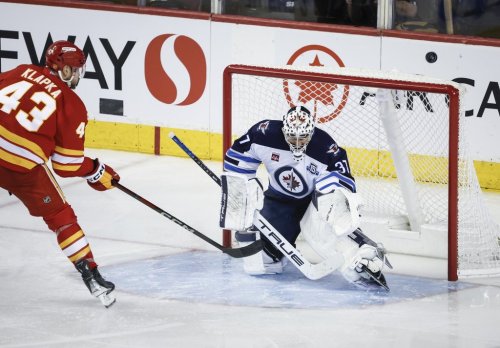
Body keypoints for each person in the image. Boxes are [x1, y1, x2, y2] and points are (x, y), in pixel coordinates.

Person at [0, 40, 120, 307]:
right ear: (65, 70)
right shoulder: (71, 103)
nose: (78, 75)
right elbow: (66, 165)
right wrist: (96, 170)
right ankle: (92, 276)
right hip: (23, 168)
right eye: (76, 69)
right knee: (60, 216)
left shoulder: (20, 71)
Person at [219, 105, 389, 289]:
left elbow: (344, 184)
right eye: (292, 137)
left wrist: (334, 207)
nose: (298, 143)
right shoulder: (264, 134)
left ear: (312, 131)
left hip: (314, 204)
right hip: (279, 202)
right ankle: (276, 251)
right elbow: (236, 161)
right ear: (284, 130)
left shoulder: (325, 146)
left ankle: (359, 254)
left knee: (331, 203)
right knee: (260, 262)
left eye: (304, 138)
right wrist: (244, 190)